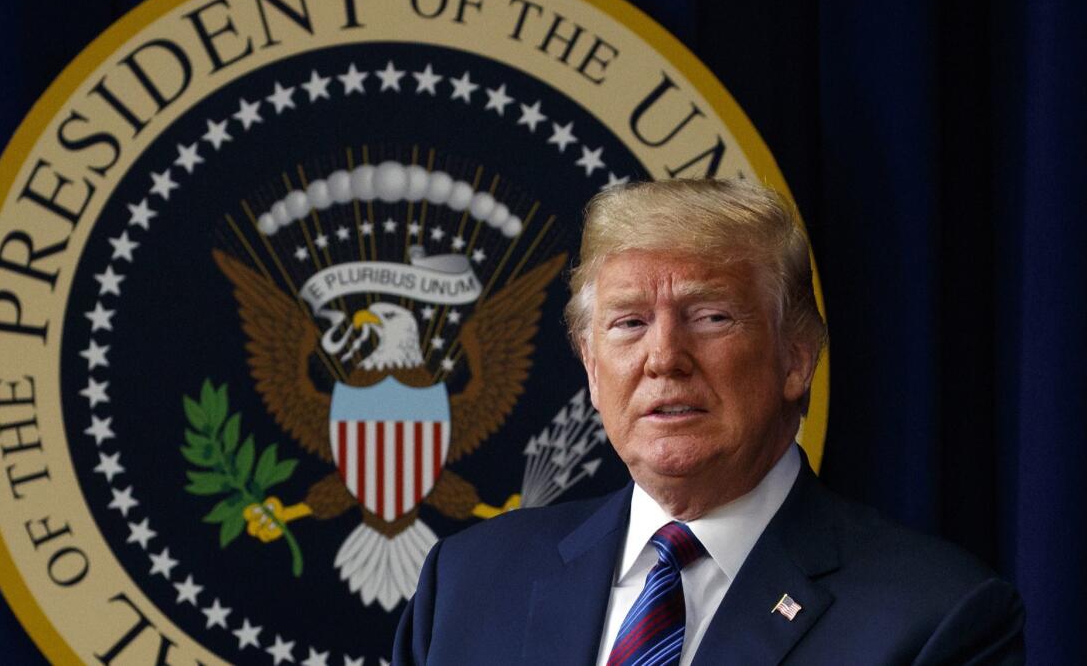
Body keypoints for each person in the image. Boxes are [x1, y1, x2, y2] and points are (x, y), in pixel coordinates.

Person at [393, 179, 1024, 665]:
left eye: (711, 316)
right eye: (629, 323)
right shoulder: (466, 586)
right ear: (590, 368)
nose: (664, 357)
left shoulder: (936, 619)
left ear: (796, 359)